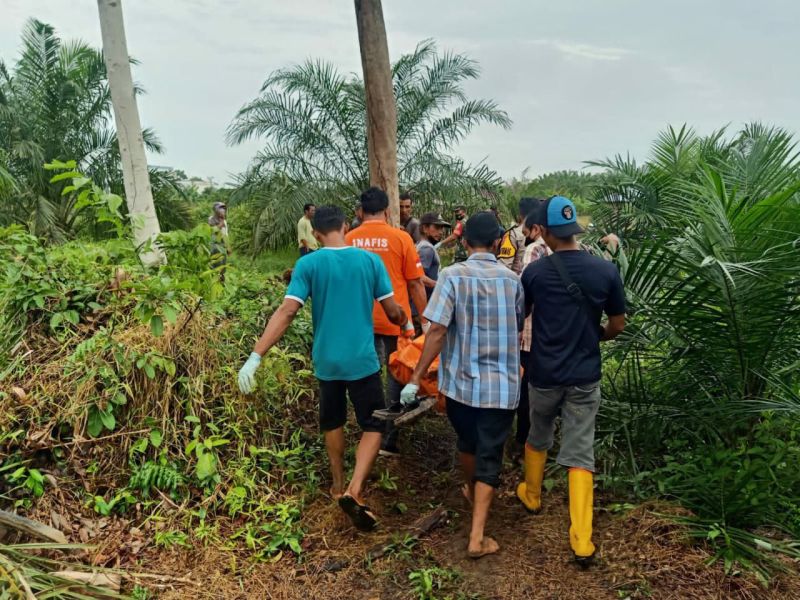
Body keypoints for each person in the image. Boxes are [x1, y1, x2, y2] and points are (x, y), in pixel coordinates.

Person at [237, 205, 409, 532]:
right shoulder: (369, 261)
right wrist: (402, 317)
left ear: (315, 233)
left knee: (333, 421)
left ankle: (336, 484)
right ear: (346, 226)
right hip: (361, 360)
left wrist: (255, 356)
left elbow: (287, 312)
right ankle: (355, 490)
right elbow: (391, 311)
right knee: (374, 424)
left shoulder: (308, 264)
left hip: (327, 361)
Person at [401, 211, 524, 559]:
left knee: (468, 443)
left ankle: (472, 494)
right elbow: (517, 323)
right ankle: (479, 534)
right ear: (500, 241)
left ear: (465, 242)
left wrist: (415, 377)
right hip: (501, 388)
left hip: (461, 387)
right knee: (490, 452)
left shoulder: (452, 277)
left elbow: (437, 331)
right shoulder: (513, 281)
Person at [516, 196, 626, 567]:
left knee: (538, 431)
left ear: (544, 233)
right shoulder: (605, 272)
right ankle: (581, 540)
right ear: (575, 230)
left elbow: (523, 317)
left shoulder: (534, 273)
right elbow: (617, 324)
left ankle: (531, 495)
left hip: (544, 372)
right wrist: (598, 336)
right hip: (584, 375)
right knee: (580, 450)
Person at [345, 187, 428, 457]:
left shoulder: (348, 239)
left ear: (360, 211)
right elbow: (415, 284)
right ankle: (389, 440)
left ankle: (368, 429)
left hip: (359, 320)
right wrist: (425, 321)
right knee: (396, 372)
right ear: (388, 210)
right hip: (396, 319)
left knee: (366, 373)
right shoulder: (401, 238)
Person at [509, 198, 550, 460]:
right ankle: (543, 440)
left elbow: (523, 291)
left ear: (536, 228)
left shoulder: (535, 250)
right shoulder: (577, 249)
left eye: (525, 231)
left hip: (530, 332)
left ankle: (524, 441)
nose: (523, 237)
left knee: (525, 390)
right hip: (553, 335)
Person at [412, 212, 451, 334]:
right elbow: (418, 277)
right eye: (437, 227)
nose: (440, 232)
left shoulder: (420, 245)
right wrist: (441, 285)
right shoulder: (426, 249)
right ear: (424, 228)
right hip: (422, 309)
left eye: (442, 228)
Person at [497, 199, 530, 274]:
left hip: (517, 281)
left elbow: (504, 267)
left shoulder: (513, 234)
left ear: (520, 215)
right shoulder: (544, 233)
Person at [208, 201, 231, 282]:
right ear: (216, 210)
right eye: (221, 208)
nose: (223, 210)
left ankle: (221, 282)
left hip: (223, 246)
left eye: (224, 208)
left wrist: (228, 247)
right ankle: (214, 282)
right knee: (216, 265)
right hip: (214, 246)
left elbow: (225, 234)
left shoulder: (224, 221)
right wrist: (221, 222)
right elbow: (214, 230)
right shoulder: (211, 219)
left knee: (223, 266)